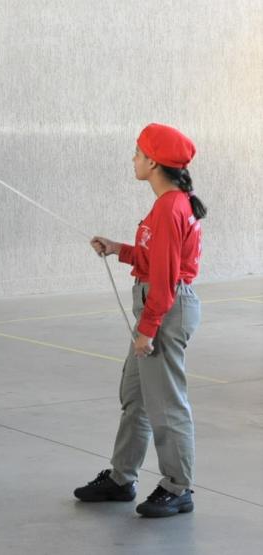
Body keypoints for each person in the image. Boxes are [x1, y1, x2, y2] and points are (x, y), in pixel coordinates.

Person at [74, 123, 207, 518]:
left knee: (166, 405)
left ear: (152, 161)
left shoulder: (170, 206)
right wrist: (120, 250)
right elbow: (156, 259)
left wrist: (147, 330)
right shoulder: (169, 201)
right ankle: (121, 477)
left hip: (165, 310)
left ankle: (178, 486)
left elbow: (165, 280)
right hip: (159, 304)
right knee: (136, 398)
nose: (132, 158)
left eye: (136, 153)